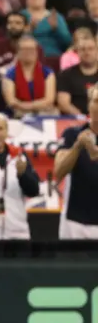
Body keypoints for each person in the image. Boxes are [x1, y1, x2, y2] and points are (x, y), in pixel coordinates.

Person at [54, 84, 98, 239]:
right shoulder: (72, 134)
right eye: (96, 101)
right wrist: (77, 147)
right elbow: (58, 172)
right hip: (75, 222)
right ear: (89, 105)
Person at [57, 36, 98, 115]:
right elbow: (63, 103)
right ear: (77, 52)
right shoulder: (65, 75)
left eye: (90, 49)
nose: (87, 52)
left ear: (97, 51)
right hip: (75, 120)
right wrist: (82, 118)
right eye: (83, 49)